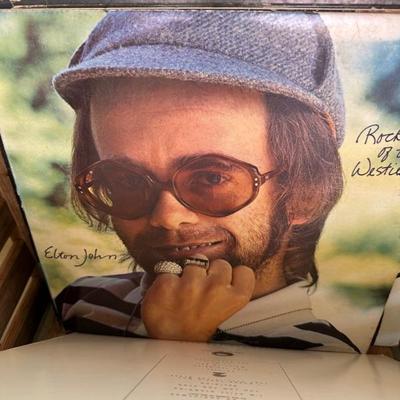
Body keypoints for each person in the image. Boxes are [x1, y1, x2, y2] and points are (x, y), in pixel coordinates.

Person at [54, 10, 360, 353]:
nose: (167, 217)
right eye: (125, 180)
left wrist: (177, 347)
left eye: (212, 178)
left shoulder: (322, 359)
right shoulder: (81, 303)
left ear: (304, 190)